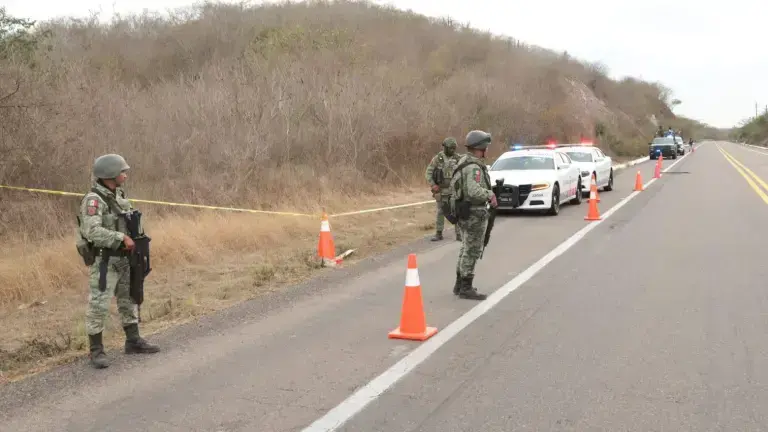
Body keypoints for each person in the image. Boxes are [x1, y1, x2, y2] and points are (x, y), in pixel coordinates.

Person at [77, 154, 159, 369]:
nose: (125, 174)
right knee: (99, 304)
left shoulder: (118, 195)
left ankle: (133, 340)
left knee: (129, 298)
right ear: (110, 174)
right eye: (122, 171)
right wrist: (120, 238)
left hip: (125, 259)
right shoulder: (94, 200)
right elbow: (92, 231)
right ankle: (96, 350)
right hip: (104, 262)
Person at [449, 130, 497, 300]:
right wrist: (489, 194)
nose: (487, 150)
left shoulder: (463, 162)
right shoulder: (474, 167)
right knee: (472, 250)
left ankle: (459, 284)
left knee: (465, 248)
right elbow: (473, 190)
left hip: (464, 212)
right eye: (486, 147)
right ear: (480, 148)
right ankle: (466, 287)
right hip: (474, 213)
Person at [424, 137, 463, 242]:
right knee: (441, 211)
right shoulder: (438, 159)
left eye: (454, 148)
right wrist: (433, 185)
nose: (453, 150)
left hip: (455, 190)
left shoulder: (458, 158)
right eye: (450, 148)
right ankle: (439, 233)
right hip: (441, 190)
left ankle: (459, 234)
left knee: (456, 211)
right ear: (445, 147)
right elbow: (428, 173)